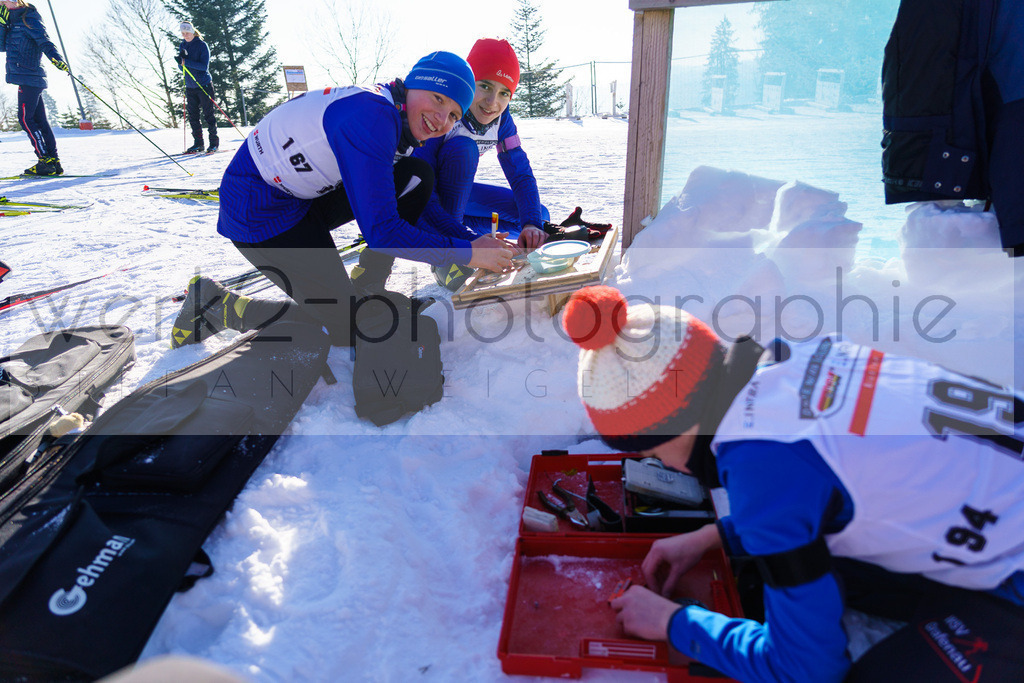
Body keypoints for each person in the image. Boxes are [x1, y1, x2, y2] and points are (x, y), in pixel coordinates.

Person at [562, 285, 1024, 682]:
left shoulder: (762, 468)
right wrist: (715, 535)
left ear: (676, 424)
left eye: (651, 453)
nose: (670, 468)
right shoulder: (791, 361)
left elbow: (807, 670)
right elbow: (820, 481)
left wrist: (676, 623)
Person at [170, 51, 513, 349]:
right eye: (438, 99)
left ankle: (367, 282)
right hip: (257, 211)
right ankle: (216, 305)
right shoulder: (374, 117)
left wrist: (470, 240)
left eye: (454, 114)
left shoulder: (395, 112)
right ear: (413, 85)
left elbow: (418, 206)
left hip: (299, 196)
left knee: (415, 177)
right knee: (351, 326)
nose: (441, 119)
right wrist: (467, 252)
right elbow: (384, 231)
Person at [413, 38, 549, 291]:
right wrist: (466, 243)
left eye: (504, 93)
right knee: (464, 149)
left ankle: (461, 228)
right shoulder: (446, 111)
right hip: (421, 199)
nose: (492, 102)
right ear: (467, 83)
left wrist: (531, 224)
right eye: (485, 86)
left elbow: (520, 174)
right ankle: (446, 256)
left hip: (457, 195)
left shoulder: (502, 121)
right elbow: (422, 187)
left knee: (538, 216)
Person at [0, 0, 69, 176]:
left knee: (25, 119)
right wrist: (1, 24)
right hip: (25, 77)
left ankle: (44, 161)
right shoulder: (10, 20)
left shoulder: (28, 16)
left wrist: (57, 59)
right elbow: (1, 46)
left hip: (30, 76)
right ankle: (53, 162)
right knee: (39, 121)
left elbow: (44, 41)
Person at [175, 20, 218, 154]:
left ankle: (213, 144)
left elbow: (203, 66)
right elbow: (182, 67)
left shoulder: (202, 45)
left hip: (203, 84)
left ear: (193, 32)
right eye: (183, 33)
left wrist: (185, 62)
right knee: (193, 117)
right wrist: (180, 63)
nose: (185, 35)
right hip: (190, 86)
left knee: (208, 115)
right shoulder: (182, 45)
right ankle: (198, 144)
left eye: (187, 33)